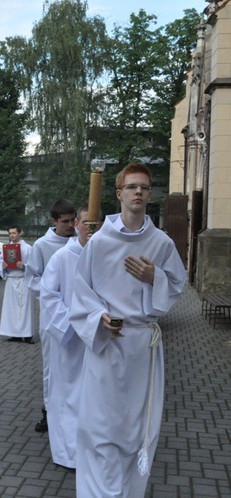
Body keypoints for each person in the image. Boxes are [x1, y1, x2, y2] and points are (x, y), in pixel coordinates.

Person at [69, 163, 186, 496]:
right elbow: (80, 290)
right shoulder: (100, 242)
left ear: (150, 195)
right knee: (99, 426)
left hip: (141, 348)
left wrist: (155, 279)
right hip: (107, 344)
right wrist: (97, 317)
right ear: (118, 193)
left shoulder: (161, 243)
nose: (138, 192)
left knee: (136, 428)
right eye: (132, 187)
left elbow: (176, 287)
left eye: (144, 188)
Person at [39, 206, 95, 469]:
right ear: (76, 224)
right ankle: (68, 453)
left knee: (94, 395)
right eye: (85, 222)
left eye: (96, 222)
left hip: (98, 339)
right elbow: (49, 295)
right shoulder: (62, 257)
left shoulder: (105, 254)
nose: (89, 227)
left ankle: (94, 450)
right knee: (68, 394)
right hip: (69, 339)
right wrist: (74, 324)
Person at [25, 199, 76, 433]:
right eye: (65, 221)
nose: (71, 225)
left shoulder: (82, 241)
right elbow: (32, 279)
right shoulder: (42, 245)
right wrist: (54, 289)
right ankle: (49, 411)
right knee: (52, 366)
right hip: (53, 316)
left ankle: (76, 411)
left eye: (73, 219)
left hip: (78, 313)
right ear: (54, 221)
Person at [0, 225, 34, 343]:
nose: (11, 235)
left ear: (20, 233)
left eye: (13, 233)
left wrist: (24, 266)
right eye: (10, 233)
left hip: (23, 279)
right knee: (11, 308)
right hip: (11, 279)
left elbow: (34, 265)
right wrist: (3, 266)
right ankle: (14, 333)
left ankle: (27, 334)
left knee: (24, 308)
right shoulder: (6, 248)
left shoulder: (28, 248)